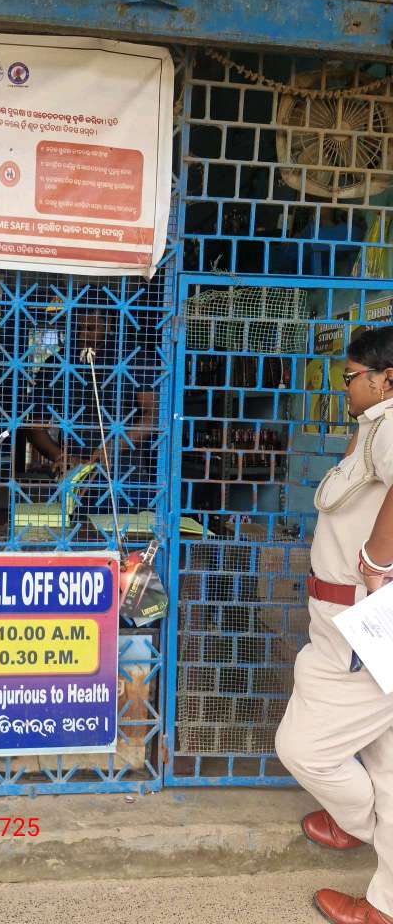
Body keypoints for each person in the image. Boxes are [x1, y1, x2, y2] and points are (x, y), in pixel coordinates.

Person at [275, 324, 393, 924]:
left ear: (386, 379)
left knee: (304, 748)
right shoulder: (373, 426)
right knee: (385, 757)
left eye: (350, 377)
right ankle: (385, 901)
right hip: (350, 618)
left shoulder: (390, 423)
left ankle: (361, 824)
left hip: (362, 621)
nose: (344, 387)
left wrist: (377, 555)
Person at [25, 301, 157, 516]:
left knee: (128, 529)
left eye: (91, 328)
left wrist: (115, 447)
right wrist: (60, 456)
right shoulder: (56, 364)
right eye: (78, 328)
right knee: (76, 529)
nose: (83, 335)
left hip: (126, 473)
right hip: (75, 474)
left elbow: (154, 416)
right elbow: (33, 426)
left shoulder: (134, 359)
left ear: (109, 324)